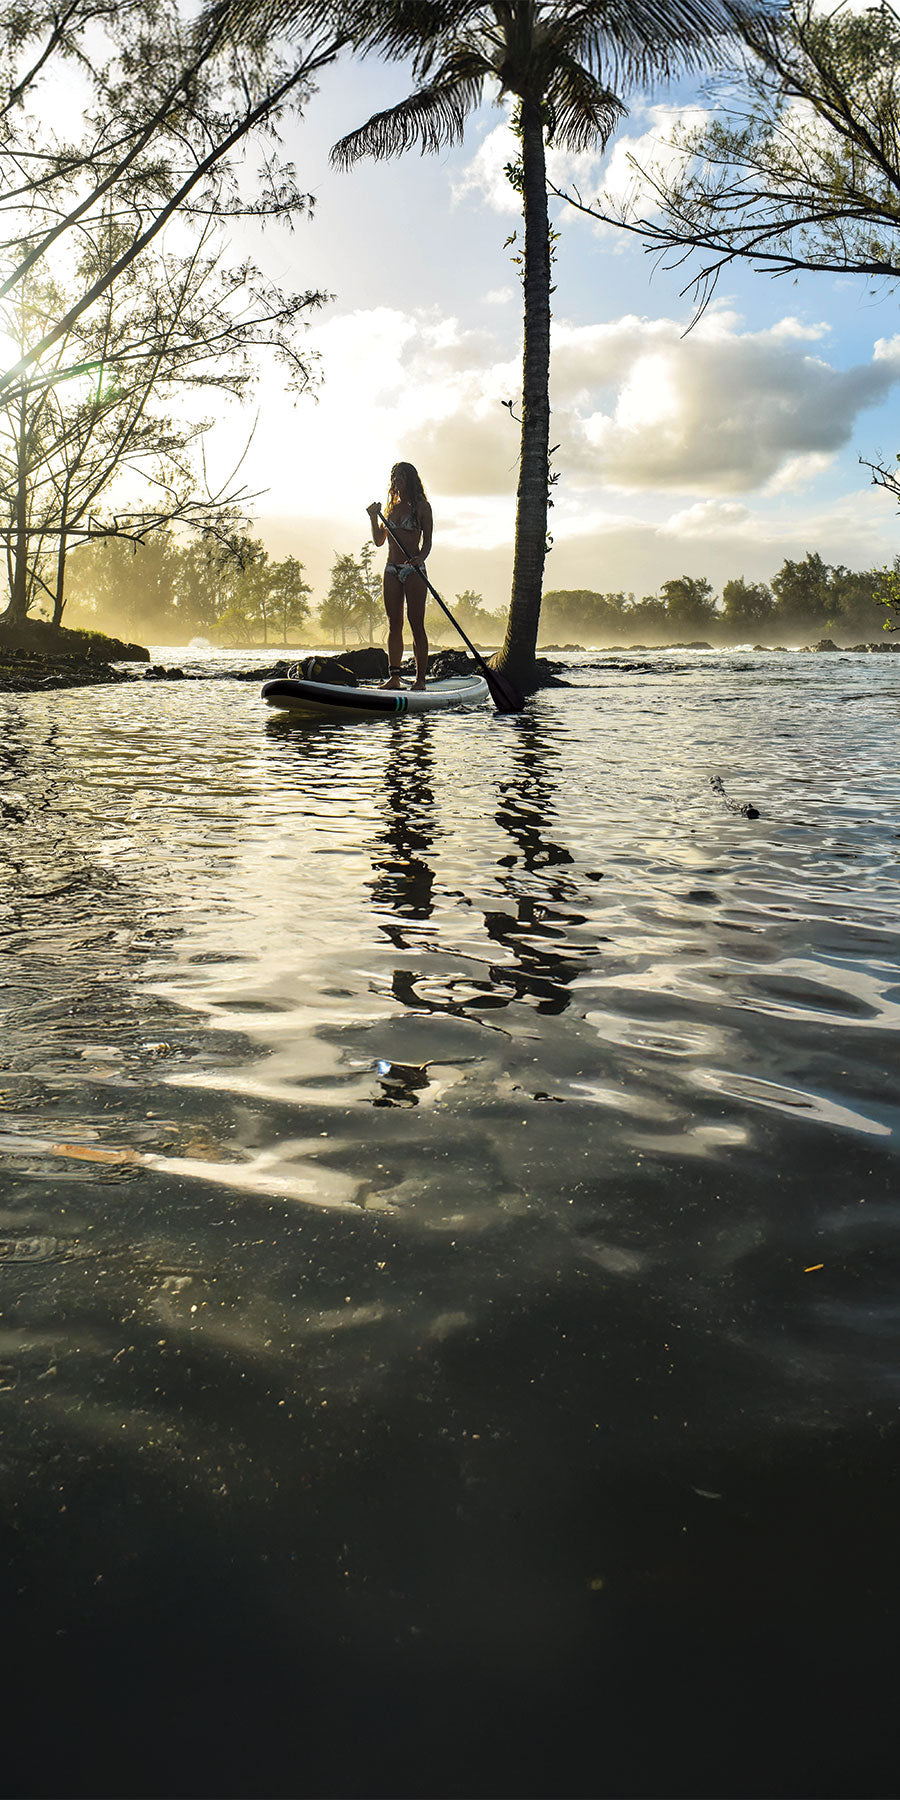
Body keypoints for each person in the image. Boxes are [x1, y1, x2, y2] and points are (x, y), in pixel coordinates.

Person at [366, 462, 433, 690]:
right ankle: (394, 678)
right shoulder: (390, 508)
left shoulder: (422, 507)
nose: (396, 480)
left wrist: (421, 558)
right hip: (391, 569)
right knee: (395, 624)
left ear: (411, 479)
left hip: (413, 570)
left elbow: (428, 543)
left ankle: (420, 680)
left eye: (401, 476)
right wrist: (373, 518)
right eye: (394, 476)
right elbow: (378, 541)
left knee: (416, 624)